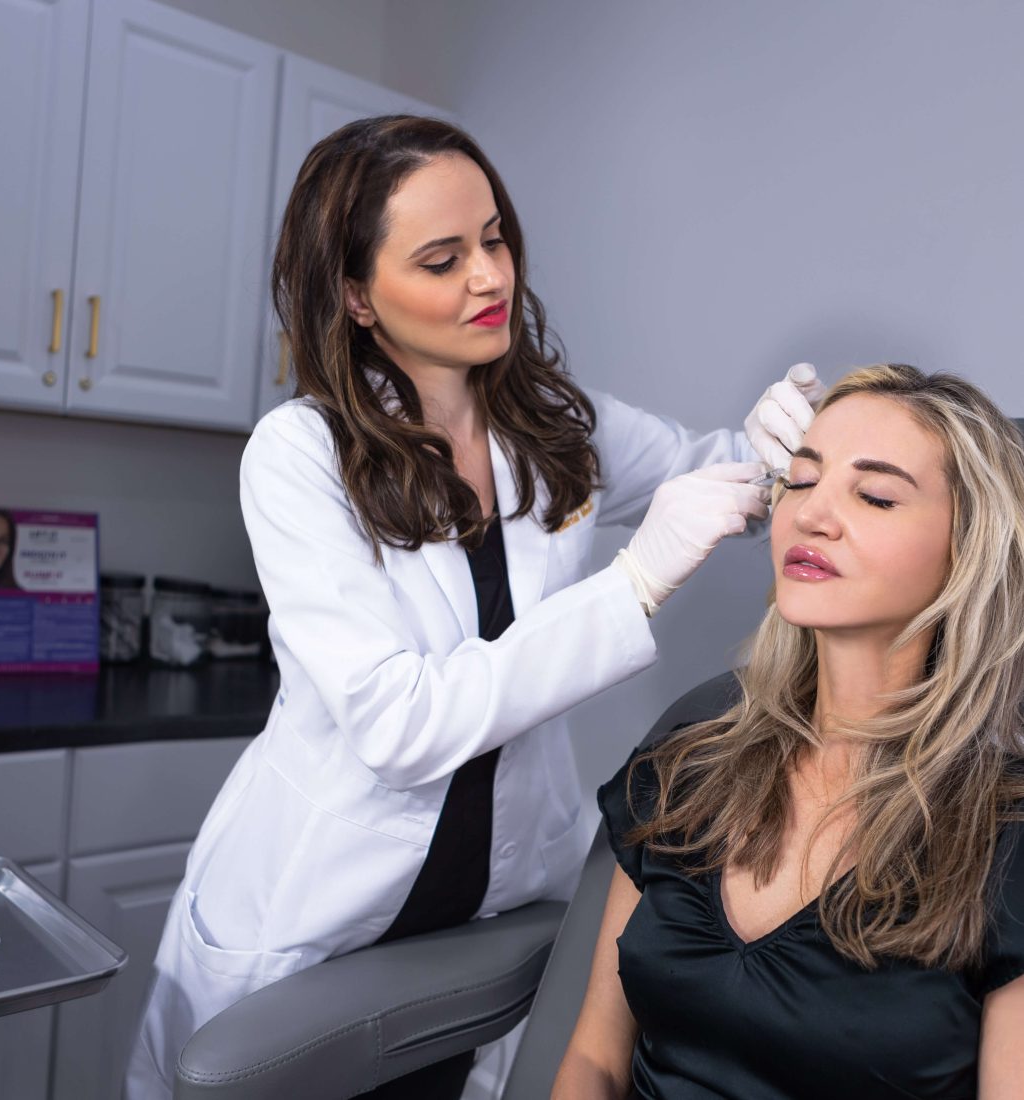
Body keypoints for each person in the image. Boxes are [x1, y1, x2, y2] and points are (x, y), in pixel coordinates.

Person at [126, 115, 822, 1099]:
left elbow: (720, 479)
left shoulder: (555, 425)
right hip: (317, 914)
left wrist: (788, 445)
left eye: (494, 239)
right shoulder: (299, 454)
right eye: (442, 259)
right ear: (357, 294)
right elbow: (398, 723)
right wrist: (631, 583)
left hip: (491, 909)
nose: (491, 277)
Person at [555, 363, 1024, 1100]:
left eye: (874, 496)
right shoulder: (689, 766)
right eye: (801, 482)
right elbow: (595, 1061)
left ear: (968, 549)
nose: (812, 515)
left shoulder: (1004, 839)